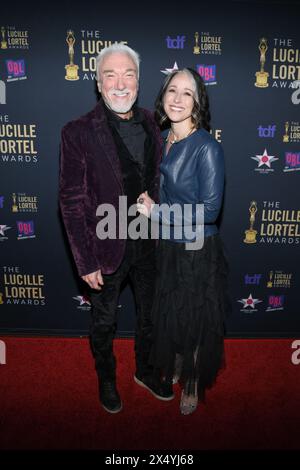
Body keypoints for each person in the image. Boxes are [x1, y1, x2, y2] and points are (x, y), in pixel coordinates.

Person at [59, 44, 174, 414]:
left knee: (150, 316)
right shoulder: (77, 132)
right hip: (104, 246)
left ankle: (145, 370)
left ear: (139, 82)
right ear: (98, 82)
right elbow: (71, 200)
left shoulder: (156, 124)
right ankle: (107, 378)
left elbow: (163, 183)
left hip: (150, 242)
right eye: (111, 75)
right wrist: (85, 260)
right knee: (104, 321)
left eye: (128, 75)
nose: (120, 84)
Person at [137, 68, 230, 415]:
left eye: (187, 93)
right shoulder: (166, 140)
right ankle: (179, 365)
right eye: (171, 90)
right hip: (169, 245)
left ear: (198, 101)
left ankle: (191, 382)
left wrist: (156, 213)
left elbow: (209, 210)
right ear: (162, 97)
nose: (177, 99)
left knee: (194, 321)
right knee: (173, 314)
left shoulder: (207, 148)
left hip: (196, 249)